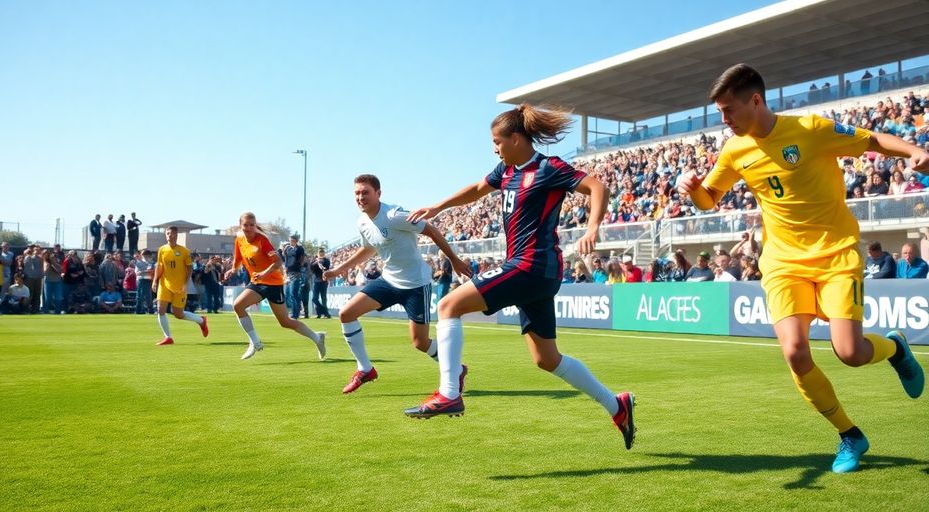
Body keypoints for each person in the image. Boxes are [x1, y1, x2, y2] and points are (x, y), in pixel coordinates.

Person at [677, 63, 925, 474]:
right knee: (795, 352)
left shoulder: (810, 129)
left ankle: (896, 348)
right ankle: (849, 434)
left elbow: (874, 140)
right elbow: (709, 200)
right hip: (782, 262)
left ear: (755, 100)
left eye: (728, 110)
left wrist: (914, 151)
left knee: (850, 352)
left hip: (836, 253)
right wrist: (693, 191)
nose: (724, 121)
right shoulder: (734, 149)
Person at [402, 104, 636, 451]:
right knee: (547, 359)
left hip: (533, 265)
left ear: (515, 139)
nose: (493, 148)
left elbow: (597, 186)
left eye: (497, 141)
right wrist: (439, 206)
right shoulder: (506, 170)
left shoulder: (548, 168)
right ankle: (617, 406)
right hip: (529, 269)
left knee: (449, 305)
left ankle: (450, 393)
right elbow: (477, 189)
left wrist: (593, 227)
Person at [322, 174, 472, 394]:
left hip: (415, 284)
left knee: (420, 343)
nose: (360, 197)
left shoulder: (394, 215)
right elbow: (368, 249)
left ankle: (457, 369)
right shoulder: (362, 221)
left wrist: (454, 260)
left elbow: (431, 230)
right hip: (389, 280)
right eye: (357, 193)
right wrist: (339, 269)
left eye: (365, 192)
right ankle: (365, 369)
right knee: (346, 314)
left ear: (378, 194)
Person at [224, 212, 326, 360]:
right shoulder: (239, 239)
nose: (249, 228)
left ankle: (317, 337)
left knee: (285, 322)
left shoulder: (262, 240)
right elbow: (238, 257)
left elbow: (278, 262)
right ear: (241, 225)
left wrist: (264, 273)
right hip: (257, 282)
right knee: (238, 305)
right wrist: (233, 270)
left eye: (252, 225)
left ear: (255, 225)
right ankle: (255, 343)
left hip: (273, 284)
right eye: (246, 225)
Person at [153, 225, 208, 345]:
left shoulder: (184, 251)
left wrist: (185, 283)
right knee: (160, 309)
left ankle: (201, 321)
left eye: (171, 233)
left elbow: (189, 268)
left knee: (178, 314)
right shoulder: (162, 249)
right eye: (167, 233)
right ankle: (168, 337)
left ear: (176, 235)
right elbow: (159, 266)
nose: (169, 236)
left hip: (179, 286)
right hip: (164, 284)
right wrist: (155, 281)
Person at [282, 234, 306, 319]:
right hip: (288, 273)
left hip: (296, 272)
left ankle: (295, 313)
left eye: (292, 240)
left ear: (296, 240)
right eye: (290, 240)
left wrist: (299, 268)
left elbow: (302, 259)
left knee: (293, 293)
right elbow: (285, 258)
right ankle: (292, 311)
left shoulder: (300, 248)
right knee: (287, 293)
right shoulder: (287, 248)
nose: (291, 241)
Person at [310, 248, 332, 318]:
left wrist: (321, 262)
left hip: (323, 281)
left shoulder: (326, 260)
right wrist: (317, 262)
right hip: (316, 281)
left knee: (323, 298)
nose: (321, 253)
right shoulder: (315, 260)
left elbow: (326, 268)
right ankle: (323, 312)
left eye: (322, 252)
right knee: (314, 298)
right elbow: (311, 267)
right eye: (320, 252)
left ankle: (324, 314)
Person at [22, 245, 44, 313]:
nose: (37, 251)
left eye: (38, 250)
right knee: (29, 294)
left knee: (37, 294)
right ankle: (27, 309)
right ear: (33, 251)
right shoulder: (28, 257)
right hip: (30, 278)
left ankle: (36, 309)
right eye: (36, 250)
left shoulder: (41, 258)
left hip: (38, 278)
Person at [134, 249, 155, 314]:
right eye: (144, 255)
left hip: (148, 280)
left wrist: (147, 272)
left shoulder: (151, 263)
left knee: (149, 297)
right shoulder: (139, 262)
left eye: (147, 256)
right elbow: (137, 273)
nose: (146, 257)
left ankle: (150, 310)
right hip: (141, 280)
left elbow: (153, 271)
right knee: (140, 296)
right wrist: (146, 272)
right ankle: (139, 310)